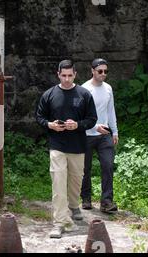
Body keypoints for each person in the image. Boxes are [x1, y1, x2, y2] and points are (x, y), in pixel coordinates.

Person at [36, 60, 97, 239]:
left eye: (70, 75)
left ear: (75, 74)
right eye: (64, 75)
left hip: (78, 145)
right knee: (58, 181)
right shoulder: (49, 94)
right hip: (57, 146)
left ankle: (73, 205)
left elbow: (92, 119)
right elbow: (39, 117)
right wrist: (50, 125)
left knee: (76, 180)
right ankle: (60, 222)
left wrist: (77, 125)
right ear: (58, 74)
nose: (67, 79)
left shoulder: (84, 94)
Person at [80, 58, 119, 213]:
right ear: (92, 71)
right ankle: (86, 198)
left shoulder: (108, 88)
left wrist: (114, 131)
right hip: (87, 134)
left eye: (106, 71)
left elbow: (111, 111)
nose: (103, 74)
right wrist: (95, 127)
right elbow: (81, 115)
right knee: (85, 168)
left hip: (105, 135)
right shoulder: (84, 89)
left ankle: (106, 202)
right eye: (100, 71)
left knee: (108, 165)